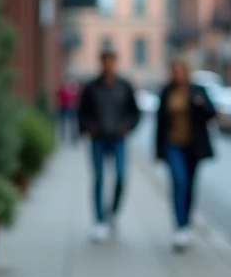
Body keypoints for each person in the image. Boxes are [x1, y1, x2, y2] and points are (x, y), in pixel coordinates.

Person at [76, 49, 142, 242]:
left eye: (111, 61)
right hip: (98, 139)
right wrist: (89, 127)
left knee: (121, 176)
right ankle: (99, 221)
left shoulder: (124, 86)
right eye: (105, 61)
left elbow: (135, 113)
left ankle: (111, 212)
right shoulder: (91, 87)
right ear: (101, 63)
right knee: (98, 178)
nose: (108, 65)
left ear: (115, 63)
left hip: (118, 139)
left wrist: (127, 127)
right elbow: (81, 112)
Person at [155, 59, 217, 251]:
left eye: (181, 71)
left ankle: (187, 224)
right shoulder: (167, 92)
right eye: (174, 71)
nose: (178, 74)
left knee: (189, 186)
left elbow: (211, 113)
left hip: (193, 146)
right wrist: (158, 149)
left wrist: (201, 104)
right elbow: (160, 123)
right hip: (173, 144)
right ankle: (180, 226)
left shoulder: (197, 90)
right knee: (179, 182)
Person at [55, 78, 80, 143]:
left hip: (71, 108)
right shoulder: (64, 90)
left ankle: (73, 137)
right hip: (65, 108)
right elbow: (58, 95)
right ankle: (63, 136)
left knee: (72, 123)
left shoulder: (73, 90)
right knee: (64, 123)